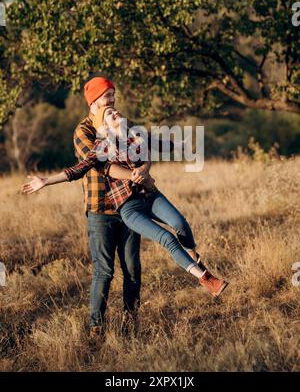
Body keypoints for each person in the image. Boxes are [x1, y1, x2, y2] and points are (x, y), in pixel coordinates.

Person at [22, 104, 229, 298]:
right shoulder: (100, 150)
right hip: (129, 208)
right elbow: (76, 170)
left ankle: (194, 257)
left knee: (180, 223)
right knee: (166, 238)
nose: (115, 112)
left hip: (149, 195)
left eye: (115, 109)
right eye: (109, 113)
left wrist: (171, 152)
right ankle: (206, 279)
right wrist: (45, 181)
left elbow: (155, 146)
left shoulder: (135, 137)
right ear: (103, 126)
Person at [23, 74, 148, 338]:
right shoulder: (84, 131)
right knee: (104, 271)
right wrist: (46, 180)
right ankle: (96, 327)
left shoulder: (121, 122)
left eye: (113, 95)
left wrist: (145, 166)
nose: (112, 101)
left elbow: (142, 150)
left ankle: (130, 322)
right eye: (106, 97)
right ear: (93, 104)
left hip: (129, 207)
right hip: (100, 209)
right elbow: (101, 165)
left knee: (133, 270)